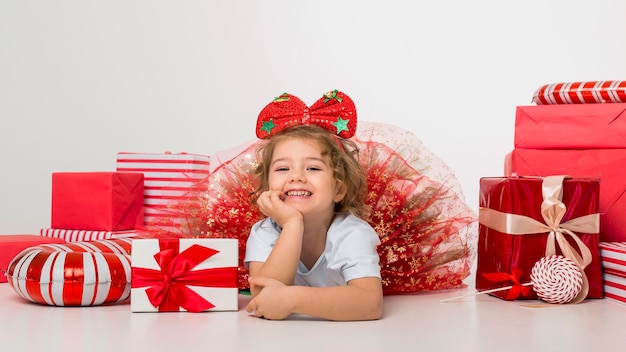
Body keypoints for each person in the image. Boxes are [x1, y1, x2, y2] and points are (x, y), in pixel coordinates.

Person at [244, 91, 383, 321]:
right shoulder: (264, 232)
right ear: (268, 185)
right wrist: (291, 224)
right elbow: (262, 299)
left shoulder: (350, 233)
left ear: (339, 190)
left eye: (313, 168)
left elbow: (370, 304)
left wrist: (293, 299)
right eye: (282, 169)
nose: (296, 177)